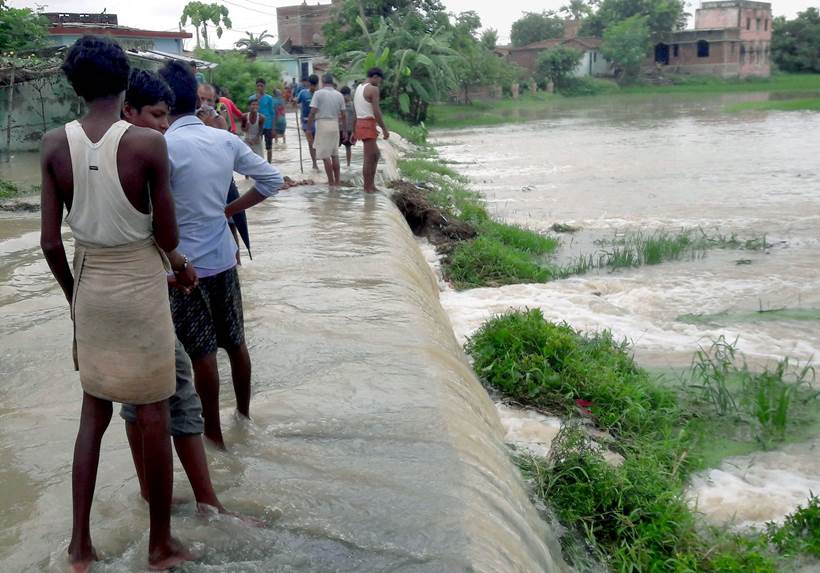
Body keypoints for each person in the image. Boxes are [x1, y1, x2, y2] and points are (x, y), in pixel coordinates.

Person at [40, 36, 194, 572]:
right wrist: (179, 266)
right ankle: (160, 546)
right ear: (125, 82)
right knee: (154, 413)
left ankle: (79, 547)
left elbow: (50, 243)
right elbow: (167, 234)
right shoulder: (148, 145)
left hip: (90, 286)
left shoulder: (53, 144)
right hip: (139, 285)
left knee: (92, 415)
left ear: (74, 86)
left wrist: (74, 299)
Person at [121, 68, 258, 521]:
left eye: (163, 114)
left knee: (149, 393)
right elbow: (269, 180)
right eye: (154, 115)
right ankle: (226, 439)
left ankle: (158, 500)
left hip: (154, 280)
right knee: (221, 349)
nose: (161, 124)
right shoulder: (215, 139)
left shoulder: (88, 150)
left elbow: (143, 227)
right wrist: (226, 215)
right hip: (203, 263)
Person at [159, 61, 285, 450]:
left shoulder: (161, 146)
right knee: (235, 342)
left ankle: (213, 436)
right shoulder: (224, 139)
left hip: (183, 266)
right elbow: (272, 180)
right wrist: (227, 211)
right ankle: (243, 417)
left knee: (200, 352)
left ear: (163, 102)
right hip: (224, 257)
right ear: (197, 98)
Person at [353, 68, 390, 193]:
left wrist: (353, 129)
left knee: (374, 155)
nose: (379, 83)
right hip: (367, 123)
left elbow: (355, 110)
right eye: (379, 80)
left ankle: (370, 185)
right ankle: (367, 187)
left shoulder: (359, 88)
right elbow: (376, 111)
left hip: (362, 123)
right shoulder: (373, 89)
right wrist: (384, 129)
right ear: (375, 77)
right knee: (369, 157)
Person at [307, 74, 346, 187]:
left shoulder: (318, 93)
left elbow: (313, 112)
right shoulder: (339, 95)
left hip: (322, 125)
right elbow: (344, 115)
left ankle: (331, 182)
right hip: (335, 125)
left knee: (325, 156)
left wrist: (309, 129)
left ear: (322, 82)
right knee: (335, 154)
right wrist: (343, 130)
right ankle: (337, 181)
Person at [296, 75, 319, 171]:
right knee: (310, 143)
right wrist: (294, 101)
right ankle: (314, 163)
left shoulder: (319, 94)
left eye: (315, 85)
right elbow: (296, 102)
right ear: (309, 84)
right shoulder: (303, 93)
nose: (313, 87)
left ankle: (317, 160)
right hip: (306, 122)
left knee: (316, 144)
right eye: (312, 85)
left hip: (317, 121)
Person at [253, 78, 275, 163]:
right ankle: (259, 163)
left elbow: (272, 113)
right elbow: (251, 111)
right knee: (256, 146)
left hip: (268, 125)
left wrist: (273, 129)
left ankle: (269, 164)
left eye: (261, 86)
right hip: (257, 125)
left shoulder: (269, 98)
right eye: (258, 86)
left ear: (264, 87)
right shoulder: (252, 98)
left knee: (269, 147)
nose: (259, 87)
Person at [340, 86, 355, 168]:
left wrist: (354, 130)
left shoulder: (353, 105)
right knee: (335, 148)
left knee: (348, 147)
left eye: (344, 95)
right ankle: (336, 164)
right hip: (340, 128)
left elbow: (355, 117)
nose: (343, 97)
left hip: (349, 129)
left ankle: (348, 164)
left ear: (348, 95)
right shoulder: (340, 105)